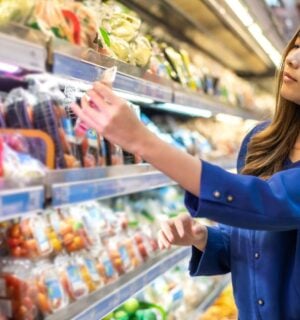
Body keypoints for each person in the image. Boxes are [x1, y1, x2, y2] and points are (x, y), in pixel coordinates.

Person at [72, 28, 300, 320]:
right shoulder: (262, 141)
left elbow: (266, 204)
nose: (292, 60)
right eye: (294, 47)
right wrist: (205, 237)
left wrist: (142, 140)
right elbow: (252, 242)